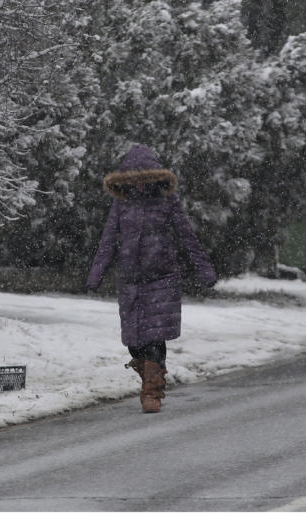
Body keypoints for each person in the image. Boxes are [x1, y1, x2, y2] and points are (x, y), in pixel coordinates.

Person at [86, 145, 217, 413]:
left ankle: (152, 393)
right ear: (126, 178)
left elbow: (186, 236)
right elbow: (108, 240)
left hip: (162, 277)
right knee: (134, 342)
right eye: (134, 177)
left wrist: (204, 269)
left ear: (154, 175)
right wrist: (96, 274)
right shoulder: (121, 203)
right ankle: (150, 376)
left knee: (155, 337)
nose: (140, 182)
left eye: (144, 176)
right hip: (130, 280)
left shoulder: (168, 201)